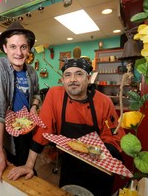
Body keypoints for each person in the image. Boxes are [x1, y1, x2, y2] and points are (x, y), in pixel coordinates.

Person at [7, 58, 125, 196]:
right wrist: (29, 165)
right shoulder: (55, 95)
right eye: (68, 75)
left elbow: (114, 138)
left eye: (79, 74)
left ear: (88, 78)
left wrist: (94, 154)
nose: (72, 79)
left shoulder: (104, 102)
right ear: (62, 80)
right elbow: (43, 130)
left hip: (100, 167)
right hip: (70, 165)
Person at [0, 21, 41, 185]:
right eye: (13, 47)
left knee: (28, 170)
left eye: (23, 47)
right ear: (5, 48)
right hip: (8, 134)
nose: (19, 52)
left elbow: (37, 93)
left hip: (28, 129)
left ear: (28, 48)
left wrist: (33, 106)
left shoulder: (31, 71)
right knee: (11, 176)